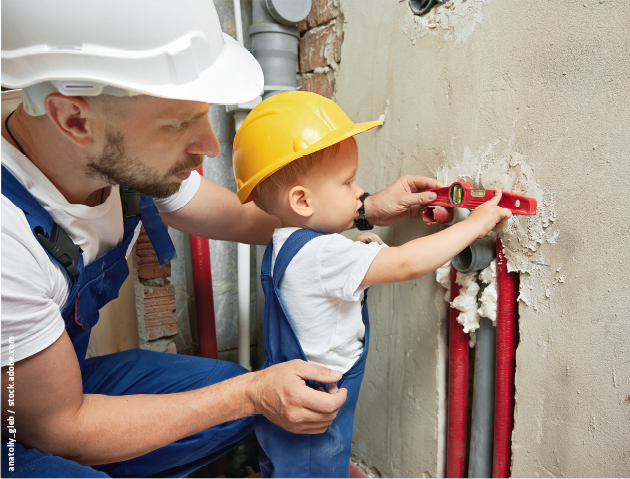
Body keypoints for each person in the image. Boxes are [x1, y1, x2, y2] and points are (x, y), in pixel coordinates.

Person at [0, 1, 446, 477]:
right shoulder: (9, 242)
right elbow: (60, 427)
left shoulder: (100, 151)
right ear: (73, 119)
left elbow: (240, 217)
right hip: (22, 423)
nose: (210, 146)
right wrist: (252, 393)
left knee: (238, 397)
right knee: (243, 396)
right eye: (176, 124)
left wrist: (363, 209)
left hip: (48, 387)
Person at [231, 91, 512, 478]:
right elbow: (408, 262)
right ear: (302, 200)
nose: (359, 191)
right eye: (348, 183)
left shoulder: (287, 244)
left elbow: (318, 273)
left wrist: (353, 246)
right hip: (317, 401)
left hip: (299, 389)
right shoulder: (326, 256)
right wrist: (474, 224)